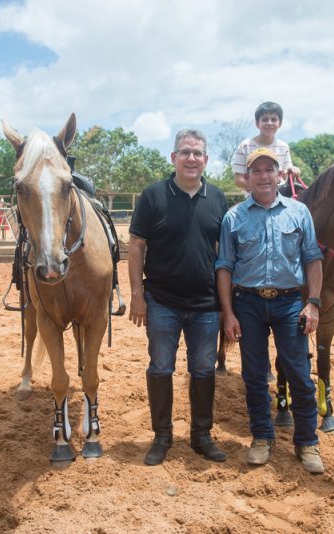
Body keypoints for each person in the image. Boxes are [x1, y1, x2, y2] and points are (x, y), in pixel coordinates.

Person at [215, 147, 325, 474]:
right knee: (254, 375)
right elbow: (224, 266)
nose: (263, 176)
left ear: (280, 176)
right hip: (247, 303)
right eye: (257, 171)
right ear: (247, 178)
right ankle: (262, 437)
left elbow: (312, 259)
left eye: (269, 170)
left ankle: (307, 442)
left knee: (299, 375)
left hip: (290, 302)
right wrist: (228, 312)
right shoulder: (233, 217)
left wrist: (314, 302)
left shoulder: (299, 212)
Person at [128, 128, 229, 466]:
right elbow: (136, 246)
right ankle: (162, 436)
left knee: (203, 370)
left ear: (206, 160)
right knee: (161, 367)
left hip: (205, 304)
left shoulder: (217, 200)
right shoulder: (153, 196)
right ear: (173, 158)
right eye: (185, 152)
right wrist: (137, 295)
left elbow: (224, 255)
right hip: (161, 302)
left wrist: (227, 305)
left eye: (197, 153)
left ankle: (201, 436)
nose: (191, 158)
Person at [232, 101, 301, 192]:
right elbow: (238, 180)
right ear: (257, 123)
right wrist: (262, 187)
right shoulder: (245, 146)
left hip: (279, 197)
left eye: (274, 119)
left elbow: (285, 177)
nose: (269, 123)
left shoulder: (283, 147)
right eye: (265, 119)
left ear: (279, 123)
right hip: (252, 198)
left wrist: (294, 171)